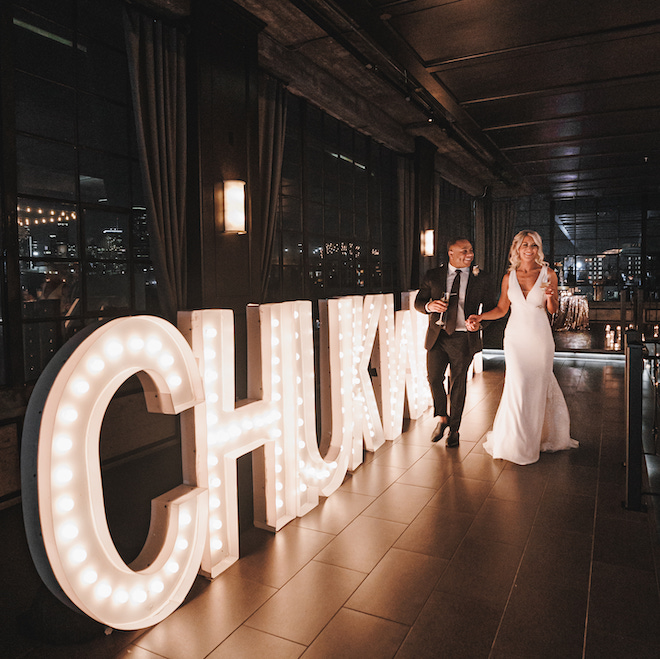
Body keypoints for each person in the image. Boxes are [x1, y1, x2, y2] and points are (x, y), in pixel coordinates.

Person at [467, 230, 578, 465]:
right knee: (517, 386)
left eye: (534, 245)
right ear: (517, 249)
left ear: (539, 249)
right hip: (516, 338)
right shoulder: (509, 277)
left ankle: (538, 438)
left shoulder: (548, 274)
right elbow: (501, 309)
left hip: (540, 338)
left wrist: (550, 297)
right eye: (525, 245)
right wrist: (480, 317)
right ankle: (517, 443)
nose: (529, 249)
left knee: (537, 386)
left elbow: (553, 309)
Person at [415, 237, 492, 447]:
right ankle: (442, 418)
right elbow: (418, 302)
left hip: (463, 338)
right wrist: (430, 306)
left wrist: (480, 324)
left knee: (458, 385)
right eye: (464, 251)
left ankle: (455, 430)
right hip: (437, 337)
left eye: (471, 251)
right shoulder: (434, 275)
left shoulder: (481, 278)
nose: (470, 255)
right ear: (451, 252)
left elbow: (492, 309)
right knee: (433, 378)